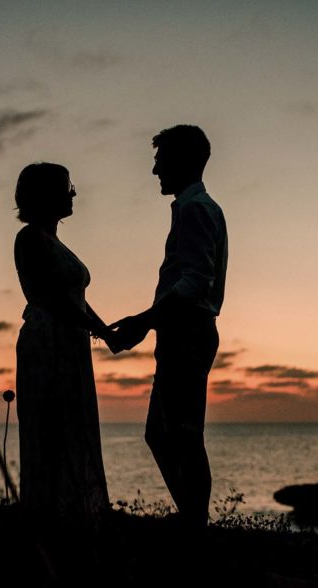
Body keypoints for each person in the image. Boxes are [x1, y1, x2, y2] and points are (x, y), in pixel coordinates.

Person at [109, 125, 228, 529]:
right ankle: (193, 520)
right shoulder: (196, 208)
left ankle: (196, 525)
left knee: (181, 433)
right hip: (182, 331)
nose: (155, 170)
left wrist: (144, 321)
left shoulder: (195, 209)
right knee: (164, 433)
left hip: (188, 331)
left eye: (160, 161)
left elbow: (196, 281)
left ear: (182, 161)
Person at [13, 162, 111, 518]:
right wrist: (100, 331)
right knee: (49, 428)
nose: (73, 193)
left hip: (70, 342)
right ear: (46, 195)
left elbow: (75, 298)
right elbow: (55, 299)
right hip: (47, 342)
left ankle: (73, 510)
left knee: (73, 424)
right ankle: (49, 514)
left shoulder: (54, 241)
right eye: (66, 187)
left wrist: (104, 330)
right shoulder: (30, 238)